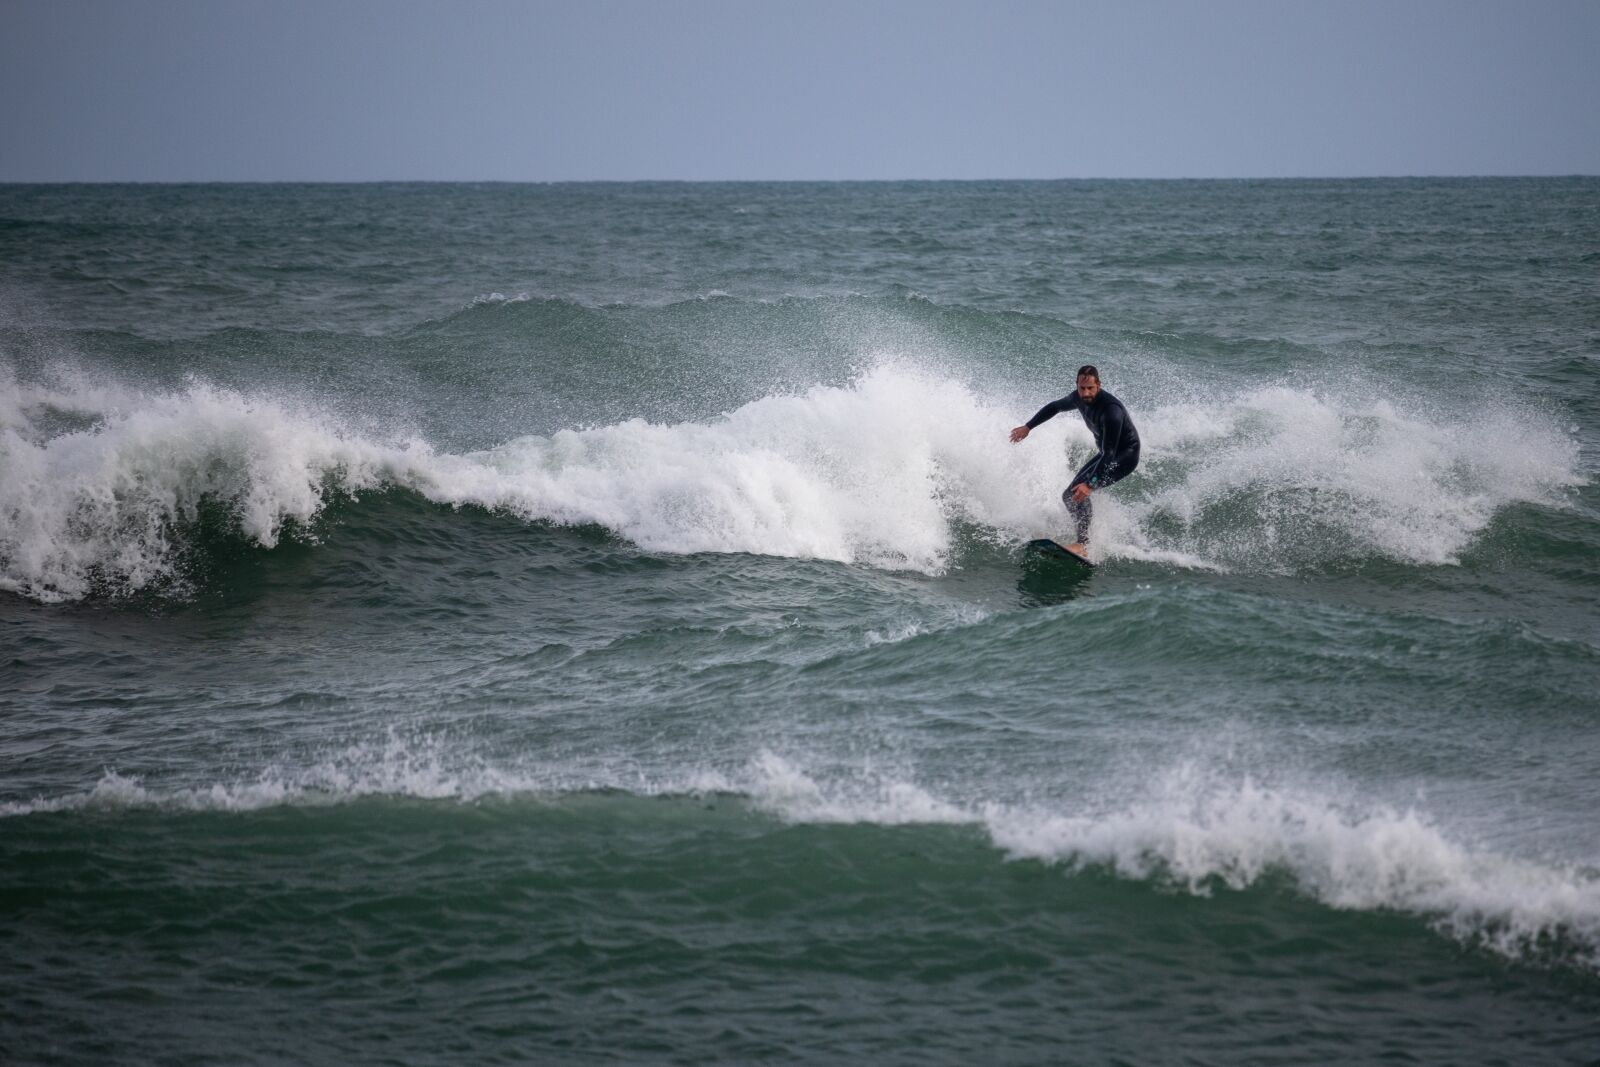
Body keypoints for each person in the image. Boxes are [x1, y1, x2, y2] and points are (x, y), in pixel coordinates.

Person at [1008, 365, 1140, 560]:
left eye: (1090, 388)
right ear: (1077, 385)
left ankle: (1083, 545)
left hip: (1124, 457)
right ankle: (1084, 542)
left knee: (1079, 491)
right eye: (1081, 388)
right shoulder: (1078, 398)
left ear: (1099, 386)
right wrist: (1028, 427)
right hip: (1106, 454)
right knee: (1069, 495)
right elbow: (1055, 407)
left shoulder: (1112, 411)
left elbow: (1110, 454)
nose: (1085, 393)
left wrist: (1090, 484)